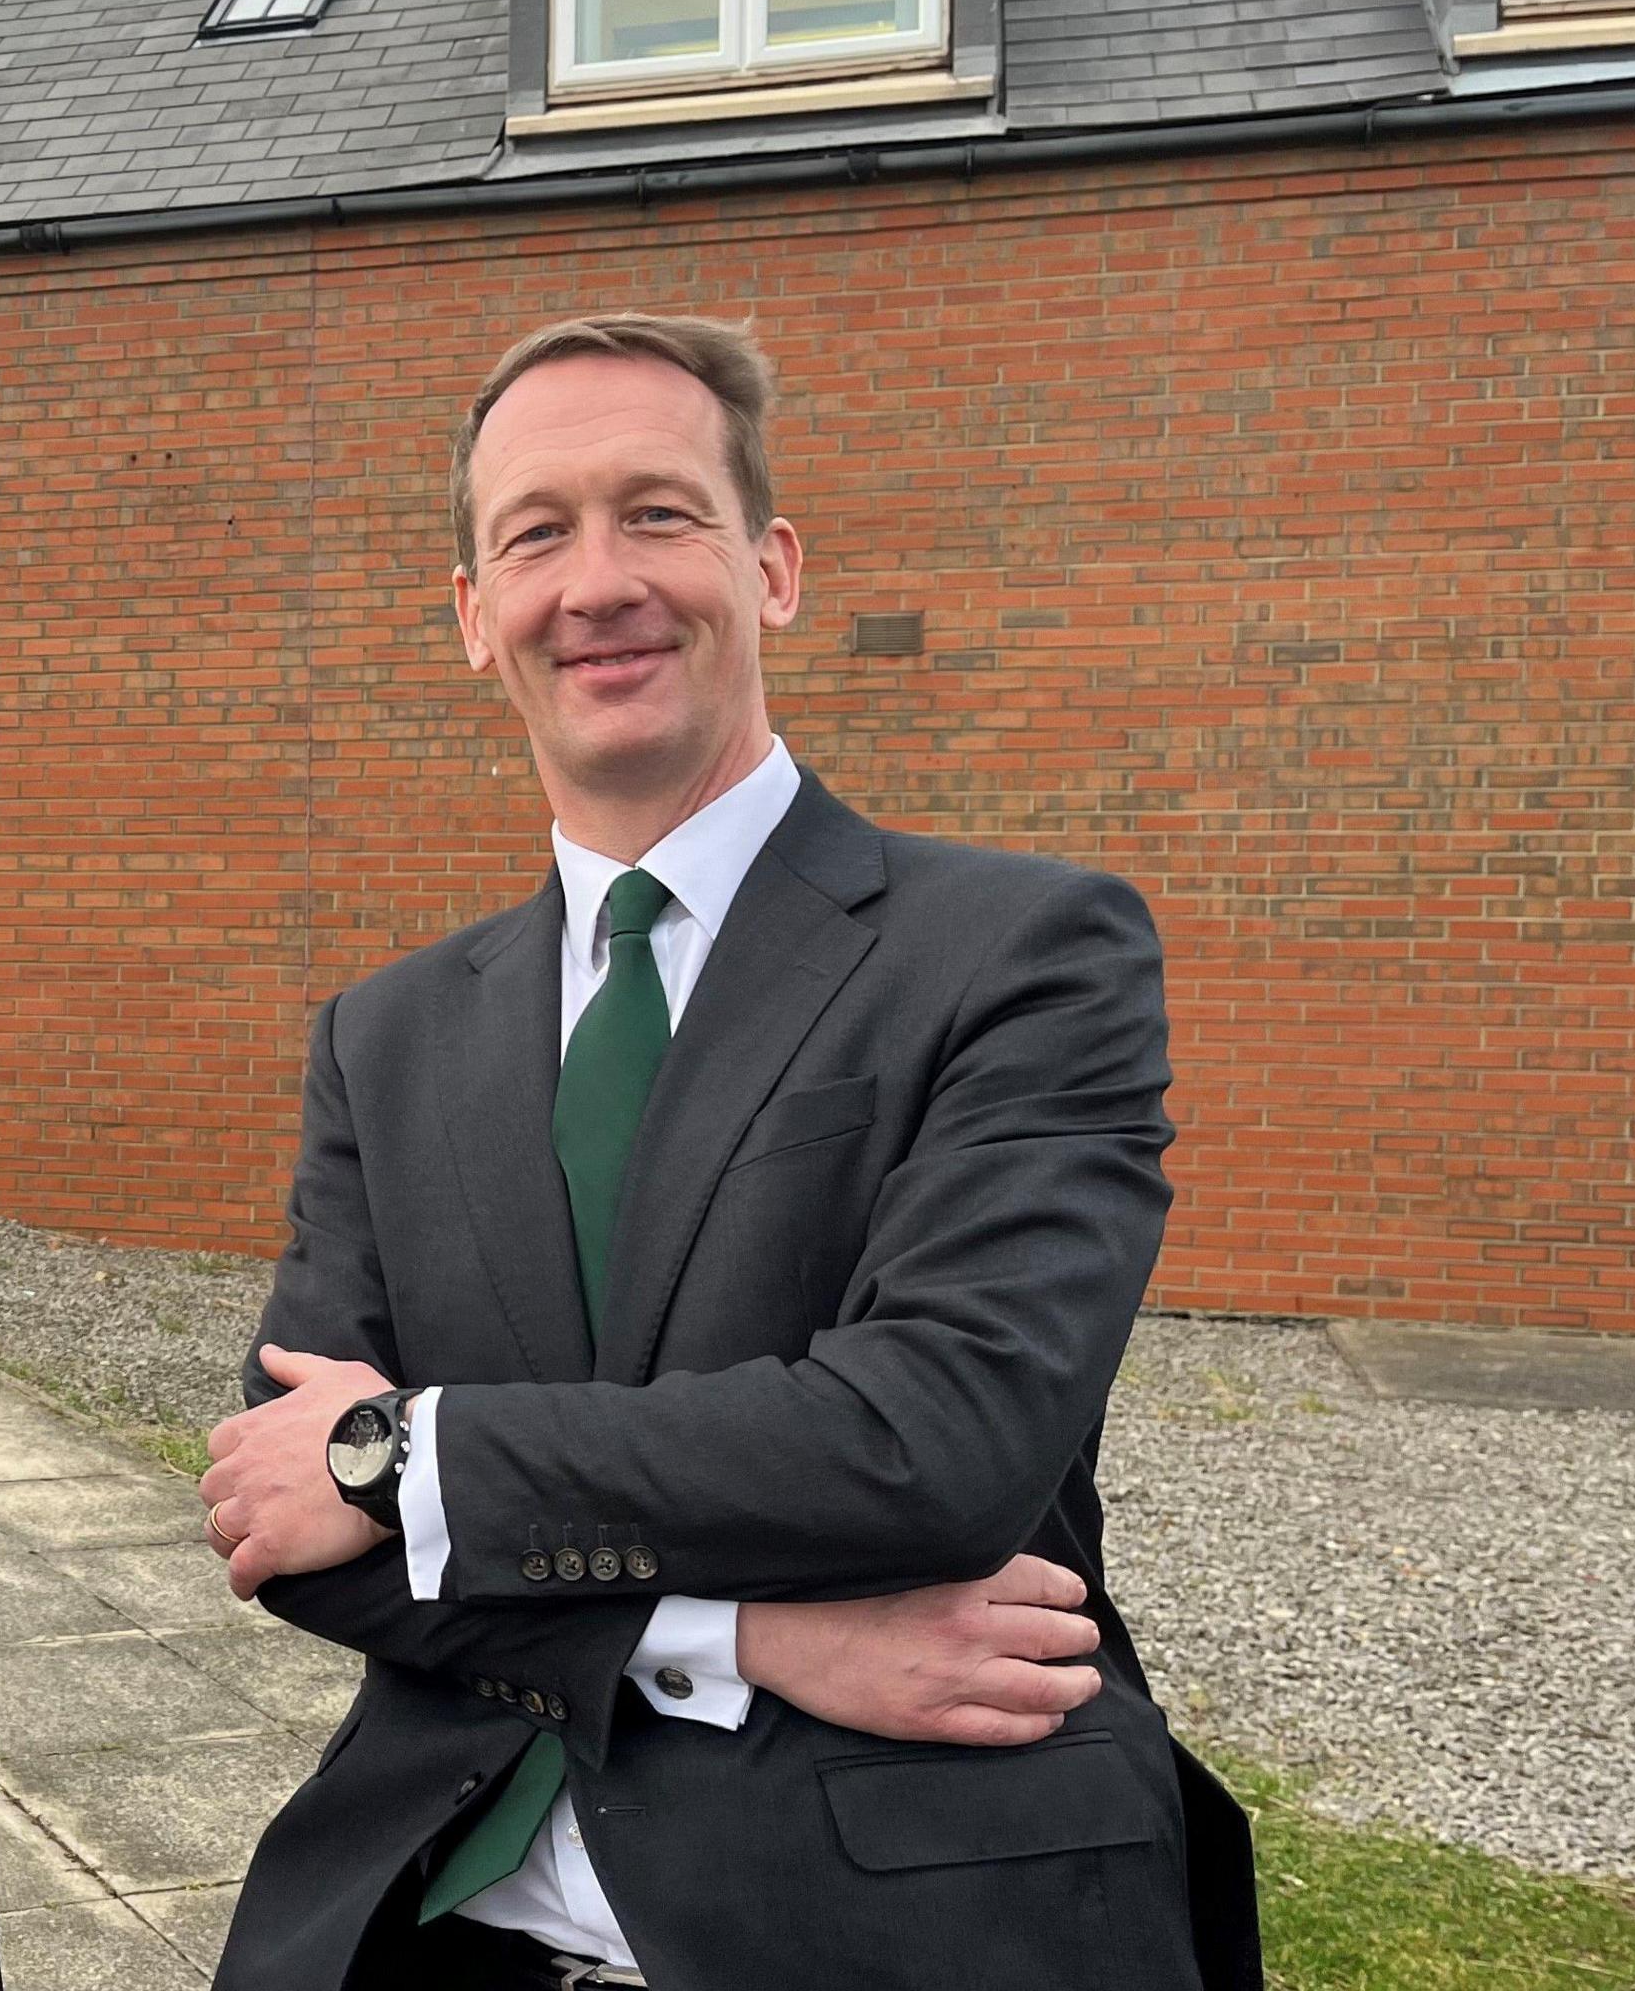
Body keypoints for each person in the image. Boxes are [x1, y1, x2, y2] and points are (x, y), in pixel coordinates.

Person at [195, 317, 1257, 1991]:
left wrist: (411, 1464)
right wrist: (749, 1634)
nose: (597, 580)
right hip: (443, 1918)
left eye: (659, 515)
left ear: (771, 568)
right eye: (535, 533)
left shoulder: (1023, 952)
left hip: (900, 1918)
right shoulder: (386, 1033)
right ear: (476, 618)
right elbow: (283, 1509)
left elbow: (939, 1440)